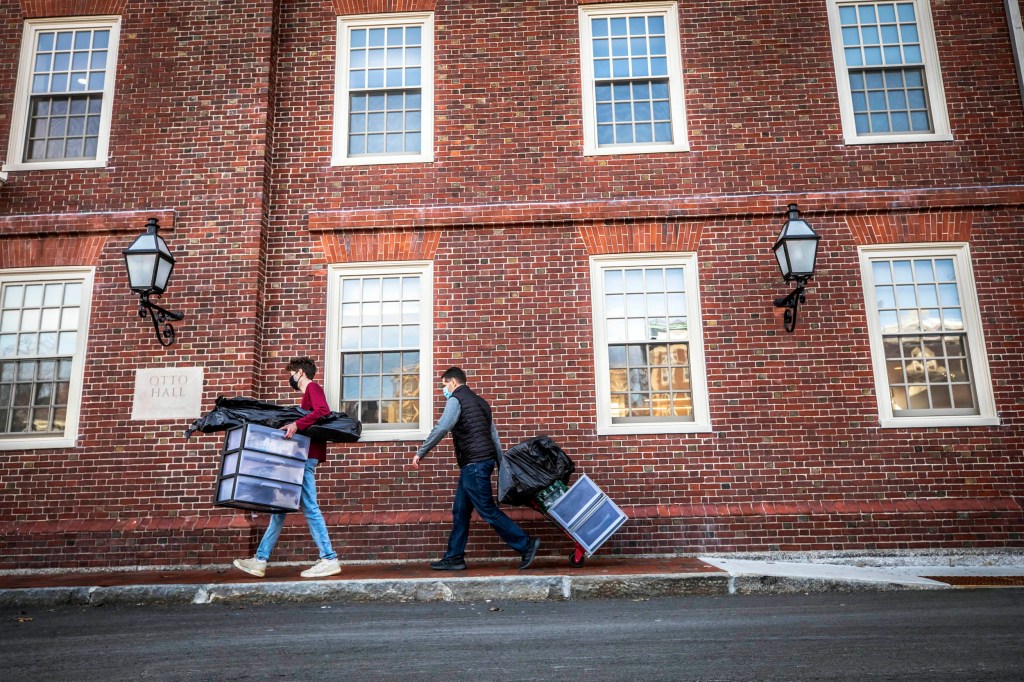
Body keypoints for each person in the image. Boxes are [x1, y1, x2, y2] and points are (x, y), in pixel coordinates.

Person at [410, 367, 540, 570]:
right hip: (480, 463)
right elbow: (494, 438)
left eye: (444, 385)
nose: (443, 389)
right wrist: (499, 464)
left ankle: (526, 544)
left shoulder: (456, 399)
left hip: (474, 464)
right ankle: (454, 557)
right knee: (460, 510)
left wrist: (422, 452)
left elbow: (443, 427)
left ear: (453, 383)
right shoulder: (481, 402)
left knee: (487, 509)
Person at [233, 357, 342, 579]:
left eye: (290, 374)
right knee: (279, 509)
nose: (289, 378)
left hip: (304, 459)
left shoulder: (312, 387)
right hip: (299, 458)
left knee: (310, 508)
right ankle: (260, 560)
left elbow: (323, 411)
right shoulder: (305, 396)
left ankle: (329, 559)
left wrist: (296, 424)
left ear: (300, 372)